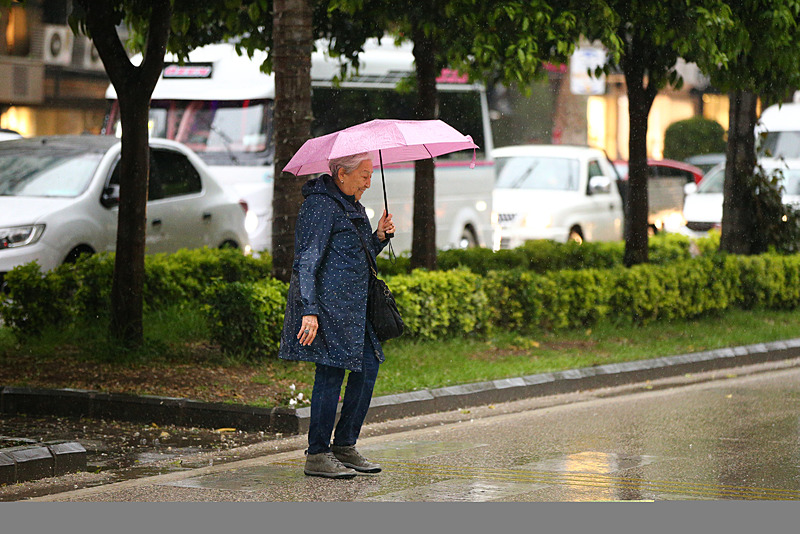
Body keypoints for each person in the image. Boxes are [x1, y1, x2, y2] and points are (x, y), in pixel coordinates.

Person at [278, 152, 396, 479]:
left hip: (355, 312)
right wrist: (309, 311)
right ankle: (317, 453)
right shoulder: (320, 206)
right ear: (341, 175)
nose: (369, 180)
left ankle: (344, 445)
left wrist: (378, 239)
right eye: (363, 174)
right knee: (330, 377)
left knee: (367, 369)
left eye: (371, 174)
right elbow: (306, 260)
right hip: (328, 309)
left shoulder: (352, 205)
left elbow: (356, 257)